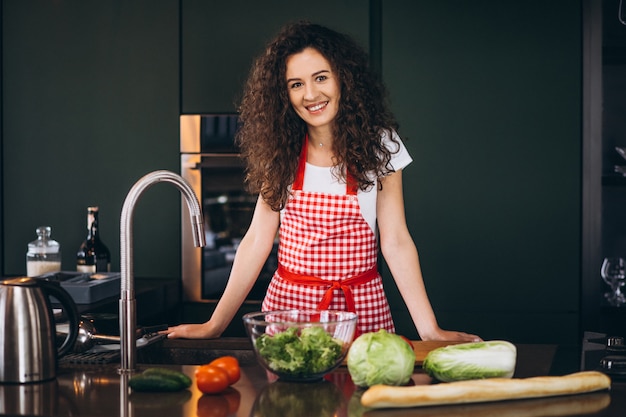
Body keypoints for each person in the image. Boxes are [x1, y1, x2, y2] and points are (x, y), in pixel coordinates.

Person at [165, 21, 480, 342]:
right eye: (296, 84)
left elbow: (396, 240)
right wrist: (214, 325)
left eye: (320, 78)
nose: (311, 94)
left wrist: (429, 330)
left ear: (343, 77)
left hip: (361, 310)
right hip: (291, 313)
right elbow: (257, 239)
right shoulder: (280, 148)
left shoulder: (381, 143)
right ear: (283, 93)